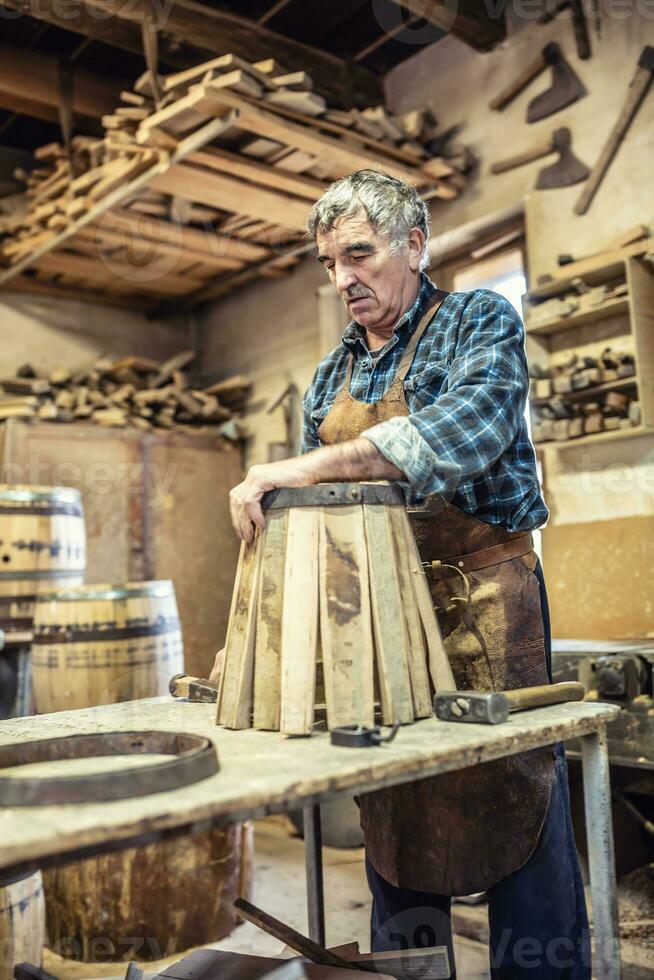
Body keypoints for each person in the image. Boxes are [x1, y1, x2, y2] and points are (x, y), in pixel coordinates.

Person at [221, 170, 590, 979]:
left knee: (516, 806)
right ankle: (408, 973)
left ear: (414, 245)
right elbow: (317, 512)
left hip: (485, 602)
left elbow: (469, 428)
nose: (343, 277)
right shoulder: (330, 376)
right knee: (395, 801)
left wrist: (306, 463)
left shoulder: (476, 321)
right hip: (381, 615)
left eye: (360, 253)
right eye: (329, 263)